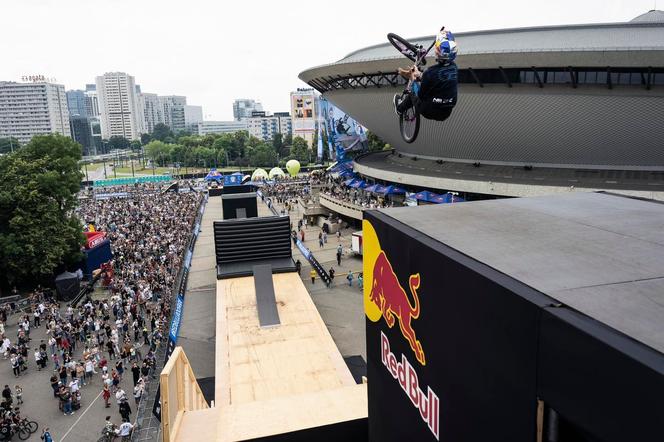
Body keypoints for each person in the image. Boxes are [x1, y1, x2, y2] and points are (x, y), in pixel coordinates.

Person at [394, 27, 459, 122]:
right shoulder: (454, 68)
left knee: (414, 91)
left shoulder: (430, 73)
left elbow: (420, 95)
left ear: (437, 51)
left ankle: (399, 109)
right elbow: (436, 77)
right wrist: (421, 75)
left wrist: (413, 79)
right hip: (446, 113)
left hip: (428, 111)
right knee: (437, 87)